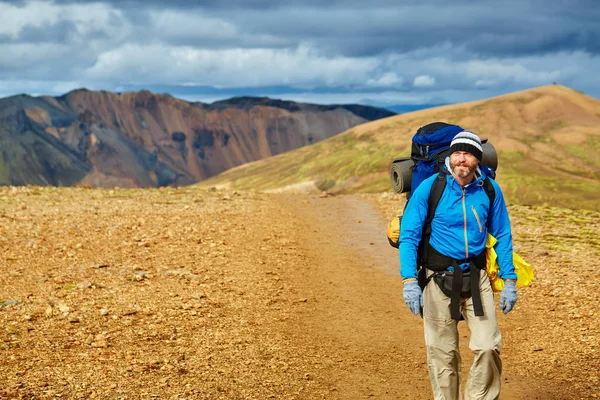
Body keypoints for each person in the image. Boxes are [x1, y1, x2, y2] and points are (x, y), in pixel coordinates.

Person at [399, 131, 518, 400]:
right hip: (435, 279)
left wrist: (510, 280)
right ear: (450, 157)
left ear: (478, 159)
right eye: (457, 153)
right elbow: (409, 236)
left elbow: (502, 235)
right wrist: (409, 281)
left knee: (488, 346)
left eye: (468, 154)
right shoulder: (430, 188)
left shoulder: (489, 189)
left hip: (476, 278)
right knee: (442, 353)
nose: (462, 159)